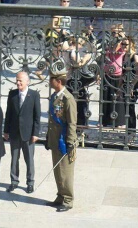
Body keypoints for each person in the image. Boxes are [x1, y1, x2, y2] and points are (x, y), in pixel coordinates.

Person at [45, 65, 77, 212]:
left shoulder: (68, 99)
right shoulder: (54, 97)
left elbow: (72, 122)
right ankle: (60, 195)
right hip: (55, 140)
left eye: (51, 79)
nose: (49, 81)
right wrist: (48, 137)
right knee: (58, 170)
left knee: (66, 171)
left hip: (64, 141)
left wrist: (70, 142)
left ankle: (68, 199)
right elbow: (52, 120)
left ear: (58, 81)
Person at [3, 71, 41, 194]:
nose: (18, 82)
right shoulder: (12, 94)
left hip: (28, 134)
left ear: (27, 82)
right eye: (17, 80)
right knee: (14, 158)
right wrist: (6, 130)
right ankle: (14, 181)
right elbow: (8, 113)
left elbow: (37, 116)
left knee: (29, 159)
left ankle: (30, 182)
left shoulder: (34, 95)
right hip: (14, 132)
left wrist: (35, 133)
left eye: (20, 80)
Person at [102, 24, 126, 128]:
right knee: (106, 97)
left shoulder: (123, 43)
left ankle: (118, 122)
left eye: (116, 32)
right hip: (107, 73)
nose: (114, 34)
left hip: (117, 74)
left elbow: (116, 51)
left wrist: (121, 36)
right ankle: (105, 120)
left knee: (117, 98)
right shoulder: (109, 42)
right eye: (113, 32)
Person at [122, 36, 138, 132]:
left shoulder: (135, 56)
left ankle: (131, 131)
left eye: (126, 44)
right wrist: (119, 88)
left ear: (132, 45)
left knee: (130, 105)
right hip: (127, 82)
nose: (123, 46)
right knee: (126, 106)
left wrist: (132, 86)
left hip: (136, 83)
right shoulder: (124, 56)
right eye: (122, 44)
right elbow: (123, 73)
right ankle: (129, 130)